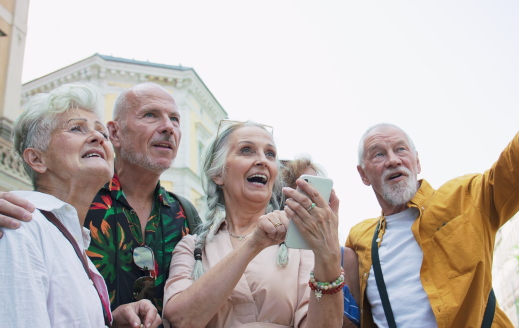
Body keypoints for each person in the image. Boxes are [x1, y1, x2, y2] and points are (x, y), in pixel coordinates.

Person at [345, 0, 519, 327]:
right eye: (379, 154)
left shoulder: (467, 198)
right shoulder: (358, 240)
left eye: (401, 150)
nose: (393, 160)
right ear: (364, 174)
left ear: (418, 162)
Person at [0, 82, 200, 315]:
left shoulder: (185, 213)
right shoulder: (55, 208)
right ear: (115, 133)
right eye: (150, 115)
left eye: (175, 119)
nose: (168, 127)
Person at [161, 121, 343, 327]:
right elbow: (180, 320)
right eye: (246, 150)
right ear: (218, 174)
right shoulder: (192, 247)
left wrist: (328, 254)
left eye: (270, 154)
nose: (262, 161)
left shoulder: (300, 245)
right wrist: (254, 244)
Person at [282, 155, 360, 327]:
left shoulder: (346, 256)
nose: (311, 197)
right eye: (302, 189)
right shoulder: (273, 252)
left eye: (317, 188)